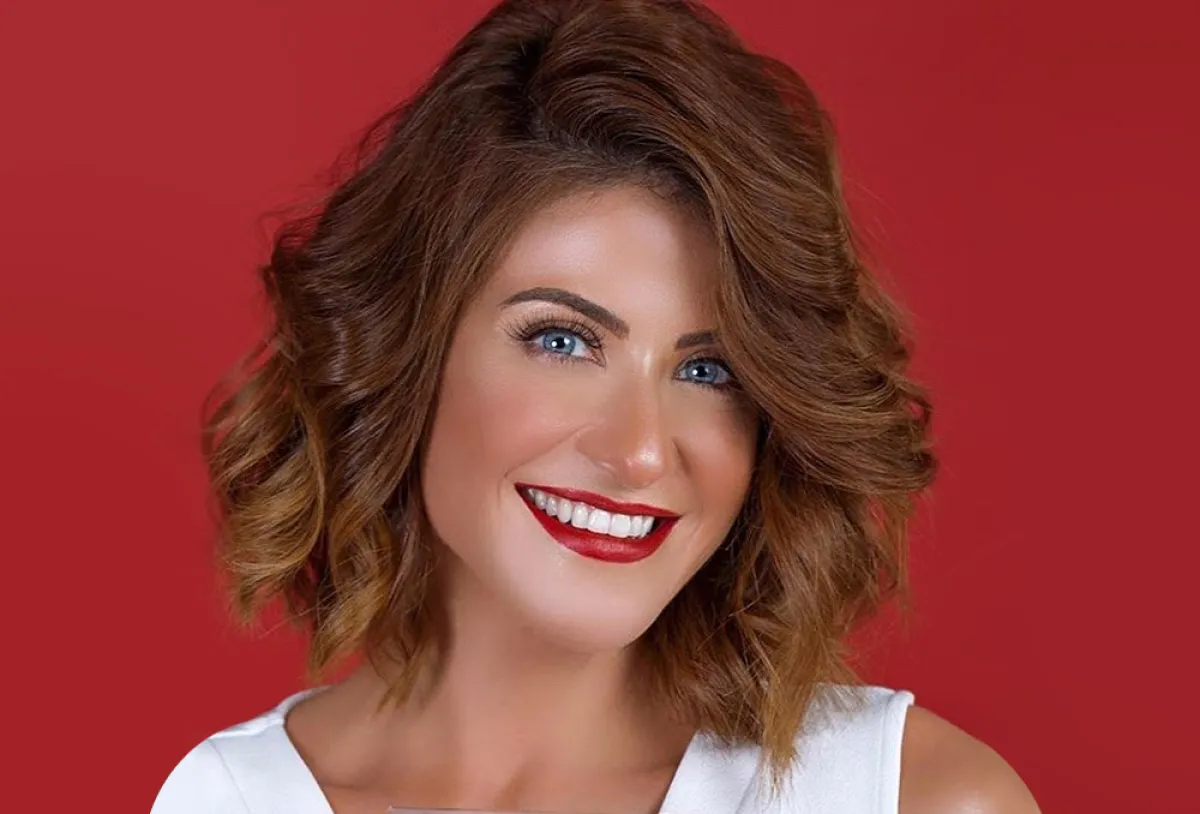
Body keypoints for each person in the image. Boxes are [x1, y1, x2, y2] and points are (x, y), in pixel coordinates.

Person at [151, 0, 1039, 812]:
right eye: (563, 341)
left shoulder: (909, 799)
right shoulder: (227, 800)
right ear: (405, 356)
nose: (641, 450)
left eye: (710, 370)